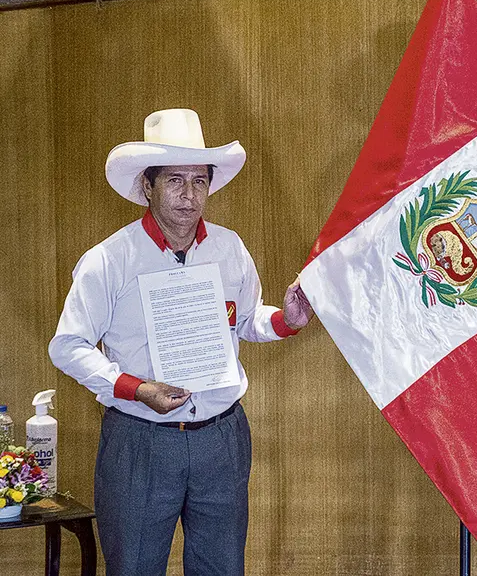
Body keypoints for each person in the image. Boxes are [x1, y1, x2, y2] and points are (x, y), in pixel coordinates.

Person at [48, 108, 314, 575]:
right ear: (147, 186)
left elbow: (249, 320)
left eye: (199, 181)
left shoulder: (229, 247)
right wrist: (135, 387)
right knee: (134, 567)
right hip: (141, 439)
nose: (189, 196)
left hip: (221, 436)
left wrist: (285, 320)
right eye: (174, 181)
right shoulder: (109, 260)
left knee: (222, 567)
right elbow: (67, 345)